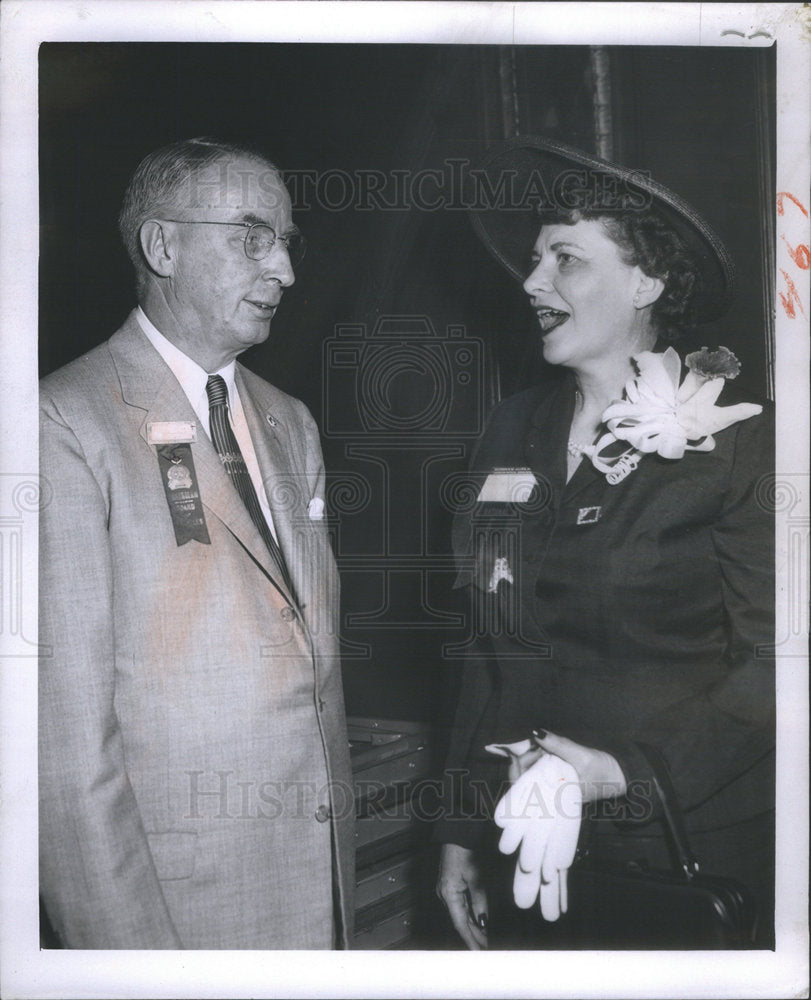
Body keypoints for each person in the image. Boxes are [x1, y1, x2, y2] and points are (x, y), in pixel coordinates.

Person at [434, 137, 774, 949]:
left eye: (565, 260)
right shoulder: (511, 427)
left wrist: (617, 771)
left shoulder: (737, 443)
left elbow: (783, 666)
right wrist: (458, 832)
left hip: (686, 843)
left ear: (645, 282)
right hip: (526, 835)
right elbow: (491, 651)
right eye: (532, 260)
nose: (531, 282)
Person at [39, 137, 354, 949]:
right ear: (162, 245)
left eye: (286, 243)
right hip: (180, 915)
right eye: (252, 237)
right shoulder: (59, 424)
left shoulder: (291, 422)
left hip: (316, 891)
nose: (283, 269)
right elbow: (63, 752)